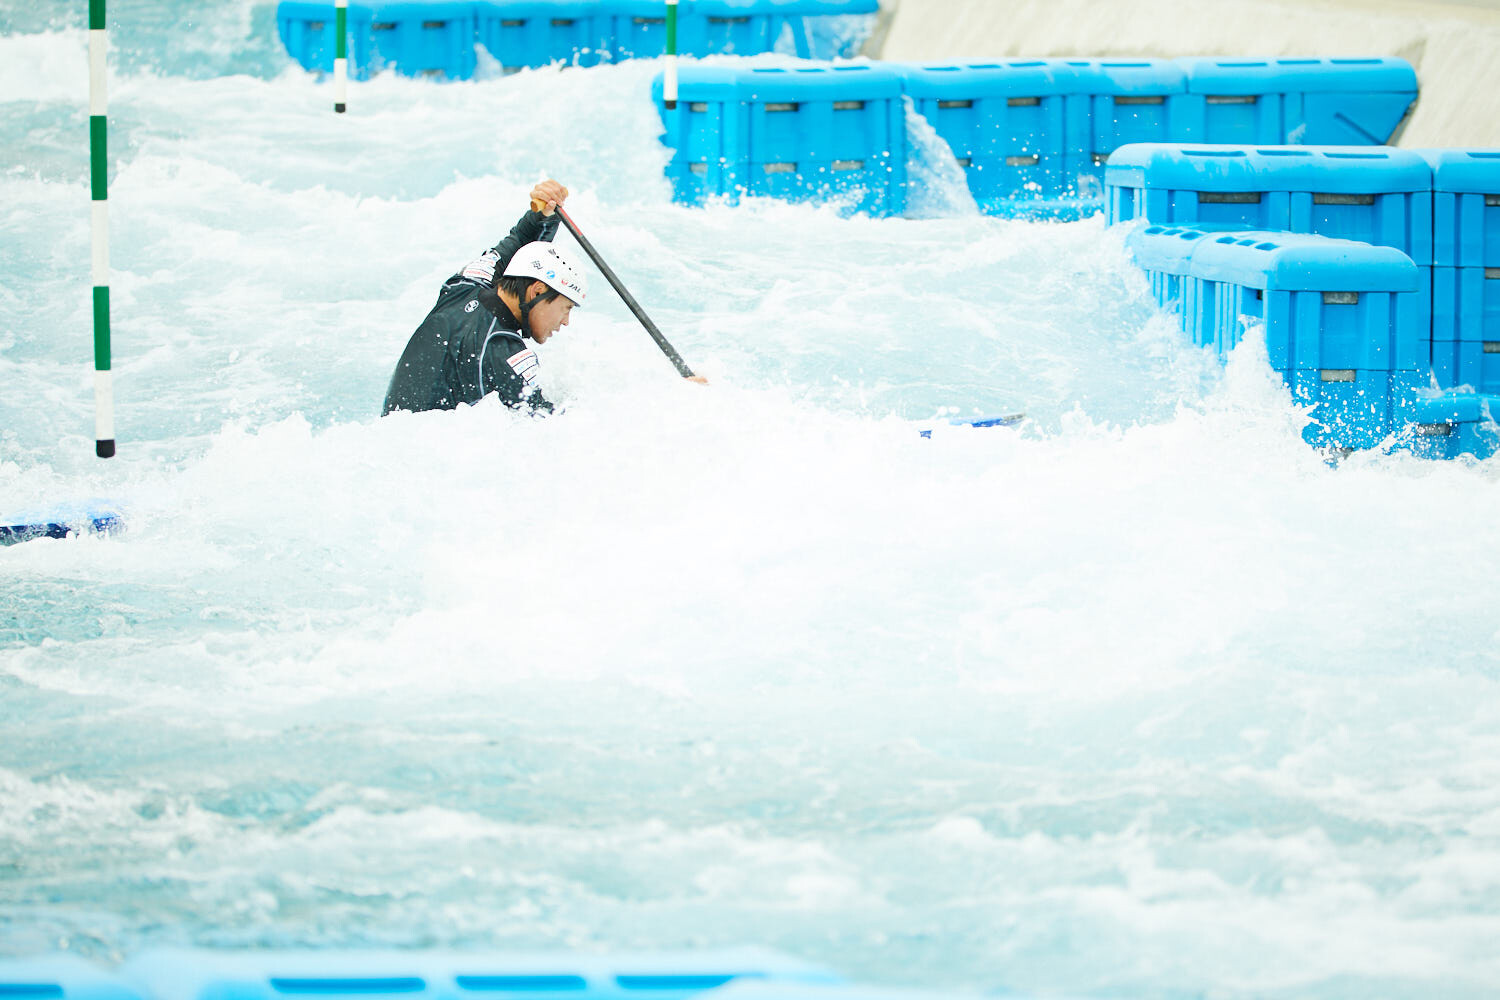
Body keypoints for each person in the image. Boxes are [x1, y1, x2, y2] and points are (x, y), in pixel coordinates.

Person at [382, 179, 584, 417]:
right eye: (566, 307)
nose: (566, 321)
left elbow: (519, 244)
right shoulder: (504, 355)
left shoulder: (464, 284)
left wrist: (543, 215)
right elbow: (553, 427)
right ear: (537, 291)